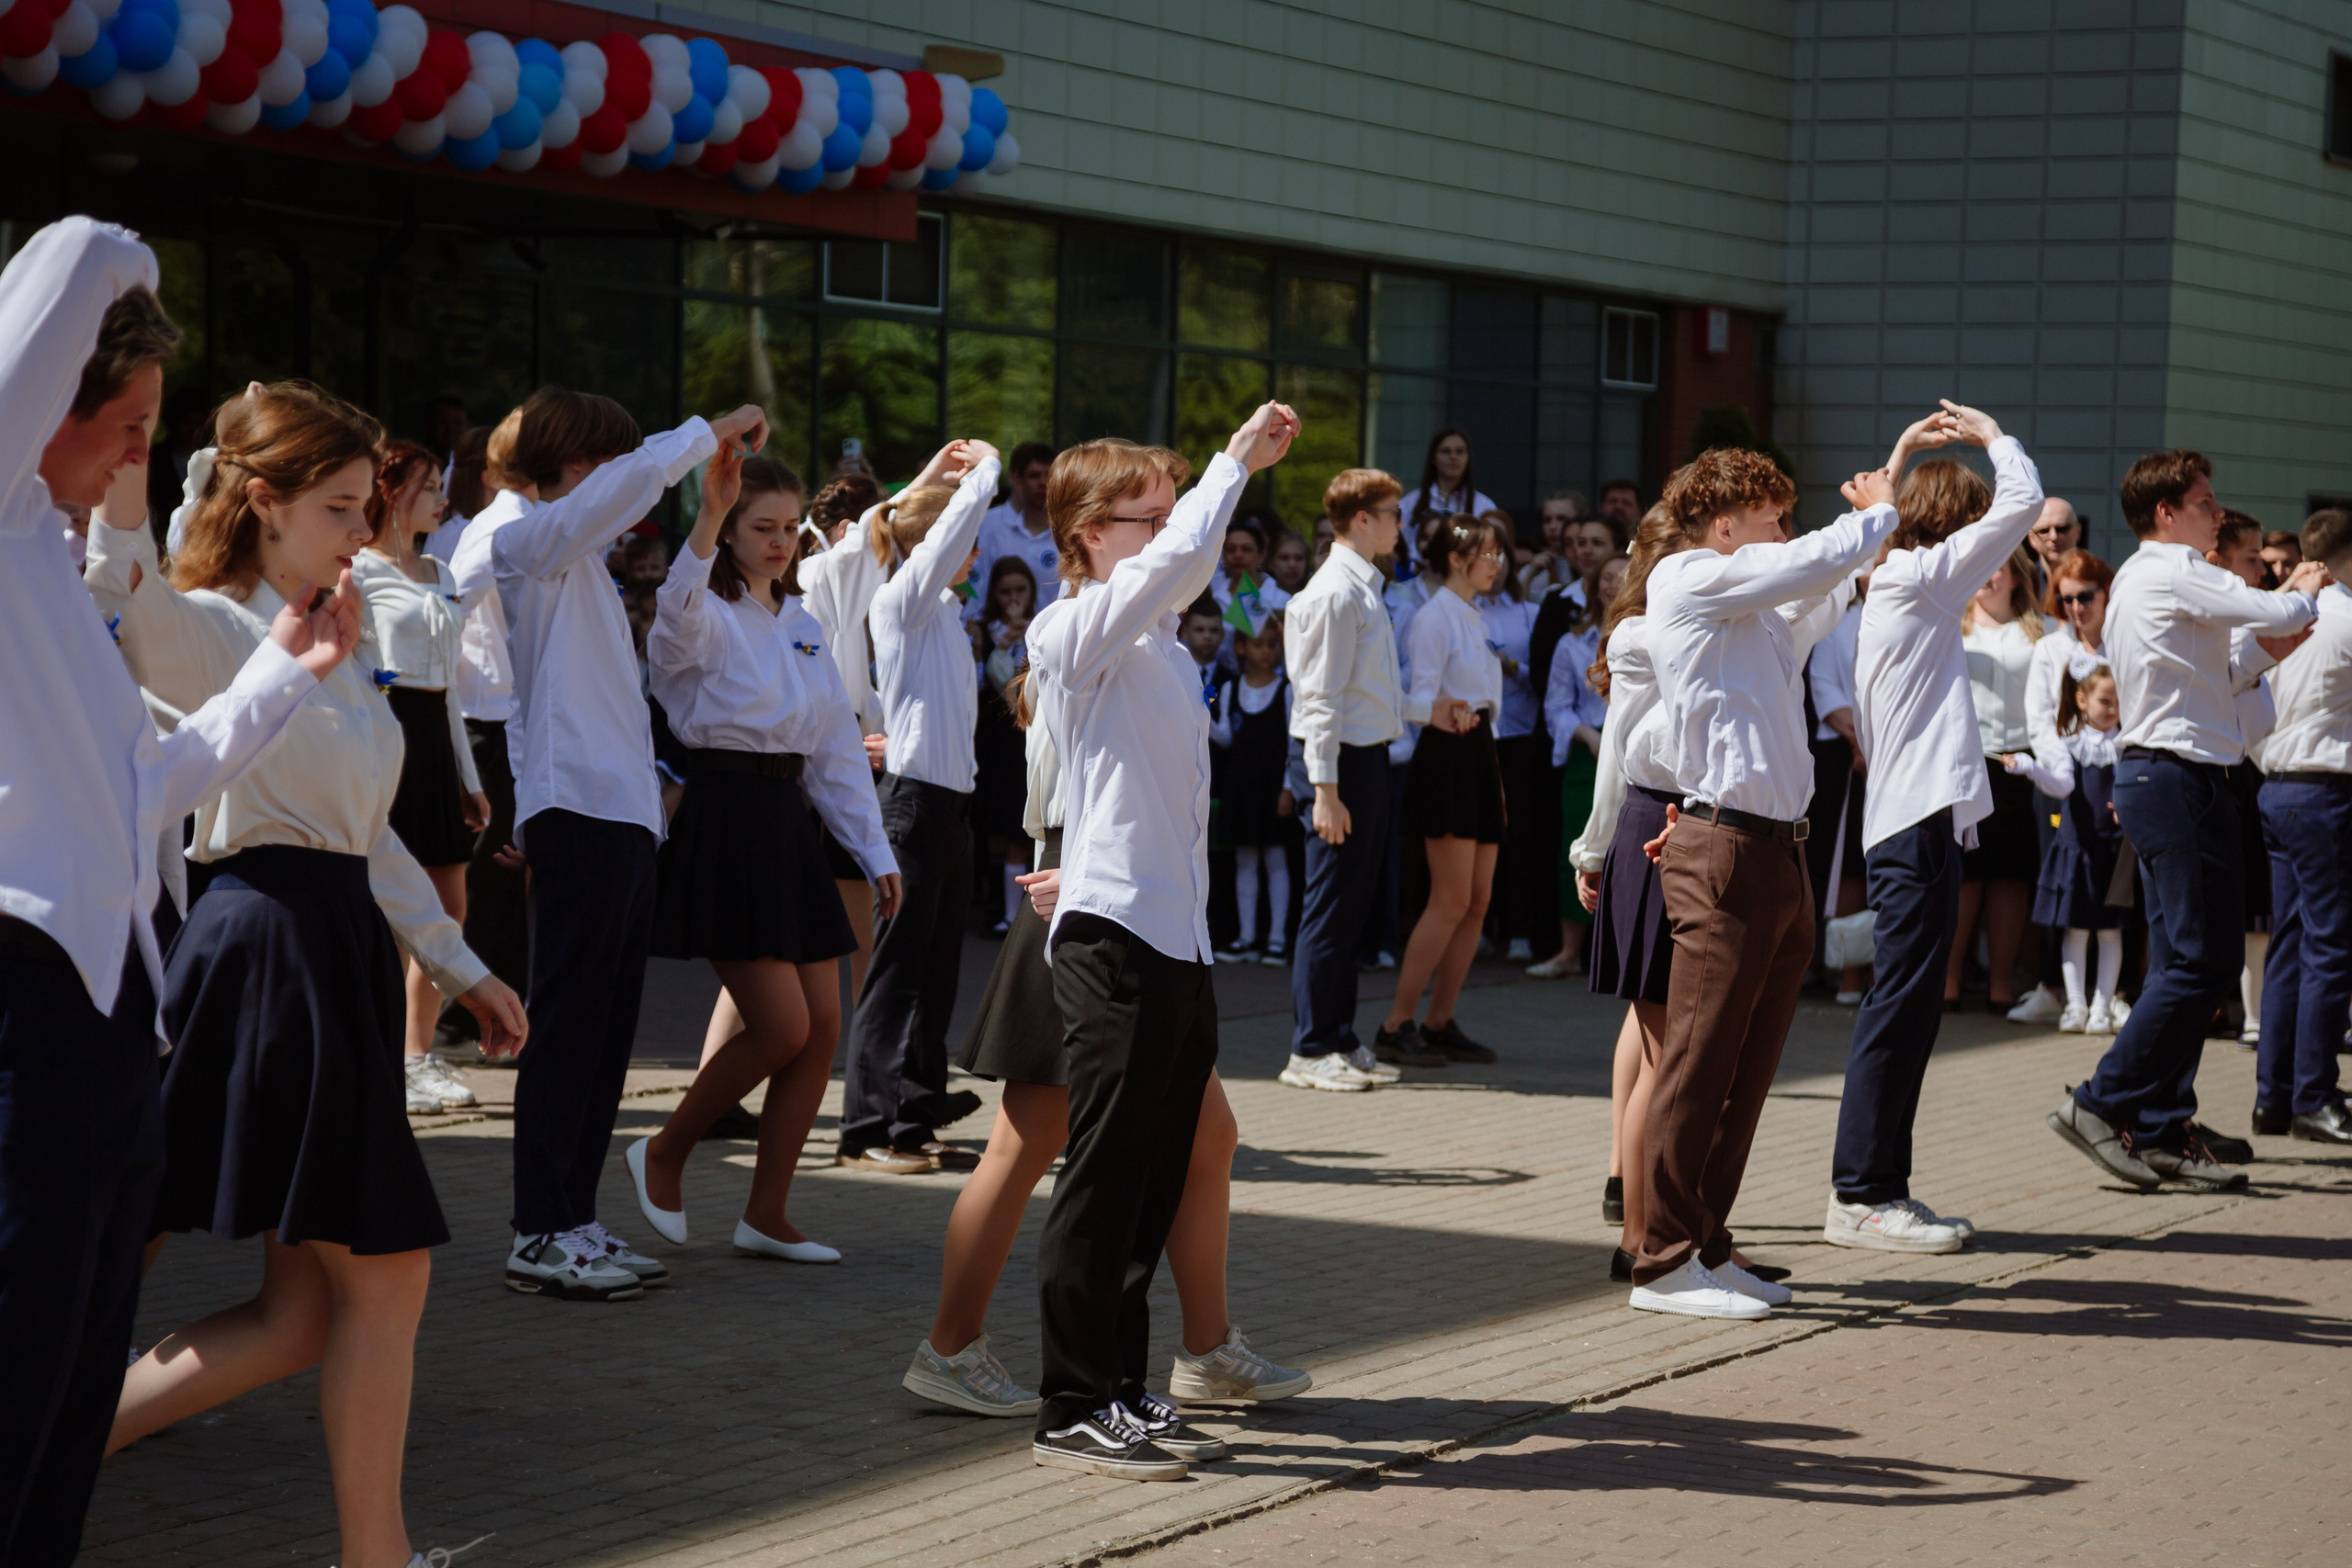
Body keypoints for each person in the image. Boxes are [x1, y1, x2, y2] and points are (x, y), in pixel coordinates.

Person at [88, 381, 528, 1568]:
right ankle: (374, 1556)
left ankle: (56, 1436)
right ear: (262, 502)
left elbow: (367, 832)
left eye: (365, 507)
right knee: (383, 1273)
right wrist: (131, 438)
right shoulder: (214, 623)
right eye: (340, 507)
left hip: (324, 944)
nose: (361, 531)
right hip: (269, 948)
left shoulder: (326, 625)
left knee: (300, 1311)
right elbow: (123, 594)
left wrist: (460, 962)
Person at [0, 220, 362, 1568]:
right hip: (21, 1021)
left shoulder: (42, 553)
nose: (134, 451)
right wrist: (127, 258)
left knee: (63, 1409)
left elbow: (139, 793)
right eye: (128, 418)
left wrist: (281, 675)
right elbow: (75, 262)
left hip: (98, 1033)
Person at [1022, 400, 1297, 1481]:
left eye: (1168, 510)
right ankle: (1069, 1402)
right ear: (1089, 532)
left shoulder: (1169, 657)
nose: (1168, 528)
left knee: (1150, 1178)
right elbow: (1170, 570)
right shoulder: (1070, 629)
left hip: (1175, 939)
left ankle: (1119, 1386)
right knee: (1102, 1174)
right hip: (1112, 936)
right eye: (1145, 514)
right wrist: (1233, 464)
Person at [907, 701, 1309, 1418]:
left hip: (1135, 900)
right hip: (1090, 899)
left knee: (1205, 1134)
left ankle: (1208, 1347)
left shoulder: (1140, 641)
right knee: (1021, 1147)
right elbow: (1085, 797)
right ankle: (949, 1349)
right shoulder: (1092, 636)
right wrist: (1085, 878)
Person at [457, 386, 769, 1301]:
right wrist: (701, 435)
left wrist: (709, 511)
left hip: (617, 812)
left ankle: (572, 1217)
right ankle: (538, 1229)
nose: (629, 490)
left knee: (601, 1035)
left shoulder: (575, 554)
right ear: (578, 465)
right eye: (611, 464)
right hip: (577, 811)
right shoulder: (519, 537)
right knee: (567, 1029)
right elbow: (600, 501)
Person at [1631, 448, 1899, 1320]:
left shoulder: (1755, 613)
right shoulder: (1687, 575)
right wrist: (1876, 512)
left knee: (1746, 1069)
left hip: (1779, 851)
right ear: (1724, 525)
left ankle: (1706, 1241)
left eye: (1788, 516)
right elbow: (1807, 563)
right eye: (1772, 516)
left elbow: (1818, 590)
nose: (1784, 531)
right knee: (1699, 1059)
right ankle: (1663, 1262)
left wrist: (1871, 538)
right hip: (1724, 847)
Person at [624, 446, 903, 1266]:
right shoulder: (701, 613)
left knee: (821, 1030)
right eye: (762, 526)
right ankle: (665, 1148)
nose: (780, 541)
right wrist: (706, 516)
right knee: (780, 1024)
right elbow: (671, 622)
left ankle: (767, 1214)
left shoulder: (806, 624)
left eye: (790, 528)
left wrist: (874, 848)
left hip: (786, 821)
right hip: (724, 816)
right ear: (731, 528)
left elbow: (836, 754)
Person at [2050, 450, 2329, 1194]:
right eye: (2205, 501)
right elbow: (2277, 612)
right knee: (2201, 960)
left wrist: (2278, 633)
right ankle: (2103, 1101)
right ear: (2168, 512)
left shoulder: (2159, 578)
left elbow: (2230, 665)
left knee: (2184, 955)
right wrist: (2302, 590)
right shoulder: (2171, 568)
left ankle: (2163, 1120)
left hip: (2172, 775)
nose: (2215, 511)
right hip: (2174, 778)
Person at [1831, 404, 2042, 1257]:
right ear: (1953, 528)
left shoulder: (1896, 579)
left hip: (1918, 819)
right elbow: (2022, 505)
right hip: (1914, 822)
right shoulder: (1920, 580)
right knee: (1900, 1009)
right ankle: (1862, 1193)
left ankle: (1879, 1187)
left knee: (1912, 1008)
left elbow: (1883, 521)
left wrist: (1907, 452)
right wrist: (1994, 438)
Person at [836, 441, 1001, 1175]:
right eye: (961, 544)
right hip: (910, 807)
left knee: (936, 969)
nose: (972, 555)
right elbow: (950, 523)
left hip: (949, 809)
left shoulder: (945, 613)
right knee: (897, 970)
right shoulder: (899, 600)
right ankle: (866, 1125)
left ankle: (913, 1116)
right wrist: (983, 469)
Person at [352, 441, 491, 1114]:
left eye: (443, 483)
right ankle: (375, 1054)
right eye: (429, 484)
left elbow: (452, 687)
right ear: (390, 489)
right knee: (385, 905)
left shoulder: (439, 566)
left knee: (449, 907)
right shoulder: (356, 569)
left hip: (435, 733)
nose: (442, 496)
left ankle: (417, 1056)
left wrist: (468, 775)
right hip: (385, 729)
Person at [1281, 468, 1408, 1093]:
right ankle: (1307, 1046)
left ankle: (1338, 1034)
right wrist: (1325, 789)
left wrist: (1421, 712)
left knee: (1352, 906)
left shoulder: (1363, 588)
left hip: (1367, 759)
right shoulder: (1334, 592)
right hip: (1338, 767)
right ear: (1363, 519)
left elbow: (1366, 691)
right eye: (1392, 512)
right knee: (1328, 907)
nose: (1399, 523)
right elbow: (1318, 701)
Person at [1372, 513, 1511, 1066]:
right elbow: (1423, 695)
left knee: (1477, 901)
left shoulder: (1472, 615)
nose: (1498, 564)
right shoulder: (1434, 617)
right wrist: (1444, 717)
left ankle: (1438, 1020)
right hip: (1447, 752)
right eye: (1489, 554)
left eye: (1499, 554)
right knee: (1450, 899)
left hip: (1479, 753)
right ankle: (1394, 1023)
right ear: (1458, 558)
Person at [2251, 507, 2352, 1145]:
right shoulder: (2343, 614)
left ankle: (2276, 1096)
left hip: (2277, 786)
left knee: (2291, 943)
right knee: (2328, 945)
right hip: (2325, 790)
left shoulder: (2283, 611)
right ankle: (2314, 1094)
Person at [2008, 547, 2116, 1025]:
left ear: (2105, 593)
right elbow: (2039, 718)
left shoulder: (2123, 642)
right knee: (2065, 886)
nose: (2076, 608)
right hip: (2062, 778)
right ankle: (2059, 989)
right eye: (2066, 599)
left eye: (2085, 597)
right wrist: (2063, 766)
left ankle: (2111, 996)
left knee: (2116, 897)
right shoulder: (2052, 648)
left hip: (2116, 779)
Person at [796, 472, 888, 998]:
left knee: (855, 934)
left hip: (844, 754)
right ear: (852, 533)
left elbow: (859, 691)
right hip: (821, 761)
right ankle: (862, 1070)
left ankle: (862, 1069)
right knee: (837, 939)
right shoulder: (820, 579)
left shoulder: (832, 590)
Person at [1946, 542, 2046, 1010]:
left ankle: (2001, 985)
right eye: (1981, 569)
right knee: (1966, 875)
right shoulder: (1952, 629)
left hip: (2020, 764)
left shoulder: (2040, 634)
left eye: (1998, 568)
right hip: (1969, 760)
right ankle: (1948, 980)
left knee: (2010, 877)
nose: (1989, 577)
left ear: (2016, 576)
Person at [2004, 662, 2130, 1031]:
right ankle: (2075, 1005)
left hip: (2112, 850)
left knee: (2110, 931)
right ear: (2081, 700)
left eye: (2117, 702)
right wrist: (2030, 768)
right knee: (2075, 928)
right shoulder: (2069, 747)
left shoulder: (2124, 745)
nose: (2112, 709)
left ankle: (2102, 1006)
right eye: (2104, 700)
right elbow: (2062, 786)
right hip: (2079, 848)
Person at [1536, 554, 1625, 980]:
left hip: (1631, 751)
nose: (1613, 584)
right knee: (1576, 847)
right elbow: (1556, 705)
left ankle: (1614, 953)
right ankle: (1570, 950)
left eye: (1623, 576)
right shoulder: (1572, 642)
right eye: (1607, 577)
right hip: (1585, 751)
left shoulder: (1654, 630)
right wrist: (1587, 735)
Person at [2211, 510, 2280, 1045]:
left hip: (2254, 777)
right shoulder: (2212, 626)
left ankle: (2255, 1017)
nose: (2263, 572)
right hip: (2212, 778)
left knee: (2256, 908)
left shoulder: (2260, 623)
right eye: (2252, 561)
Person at [1211, 617, 1295, 964]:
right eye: (1258, 644)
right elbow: (1228, 736)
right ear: (1242, 649)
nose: (1266, 651)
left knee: (1275, 858)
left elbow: (1293, 742)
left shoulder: (1286, 689)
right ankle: (1246, 937)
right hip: (1241, 786)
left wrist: (1288, 788)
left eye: (1272, 645)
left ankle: (1276, 938)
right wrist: (1201, 716)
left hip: (1273, 785)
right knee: (1245, 858)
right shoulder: (1230, 688)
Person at [1804, 583, 1869, 1002]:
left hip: (1896, 758)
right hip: (1844, 762)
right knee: (1845, 866)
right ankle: (1849, 973)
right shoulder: (1837, 624)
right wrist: (1861, 742)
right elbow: (1824, 686)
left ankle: (1883, 973)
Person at [975, 557, 1040, 933]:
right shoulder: (985, 630)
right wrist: (1003, 642)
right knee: (998, 827)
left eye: (1021, 590)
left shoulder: (1045, 626)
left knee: (1021, 828)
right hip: (998, 740)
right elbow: (1000, 688)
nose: (1013, 598)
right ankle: (1000, 906)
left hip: (1029, 741)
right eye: (1005, 591)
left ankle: (1015, 916)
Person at [966, 438, 1057, 616]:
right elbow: (975, 582)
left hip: (1053, 638)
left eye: (1049, 475)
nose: (1043, 483)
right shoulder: (987, 523)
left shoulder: (1070, 530)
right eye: (1034, 475)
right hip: (995, 637)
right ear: (1017, 480)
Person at [1396, 427, 1497, 580]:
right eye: (1446, 451)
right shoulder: (1410, 503)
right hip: (1417, 581)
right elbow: (1399, 547)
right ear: (1433, 458)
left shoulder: (1484, 506)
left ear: (1468, 458)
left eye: (1460, 451)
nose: (1453, 457)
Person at [2025, 497, 2082, 585]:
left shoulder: (2098, 580)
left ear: (2078, 532)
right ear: (2031, 538)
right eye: (2044, 531)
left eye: (2062, 529)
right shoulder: (2022, 584)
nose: (2053, 537)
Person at [1265, 528, 1310, 596]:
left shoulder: (1316, 595)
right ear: (1271, 563)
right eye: (1284, 558)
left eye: (1299, 558)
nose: (1292, 565)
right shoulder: (1259, 599)